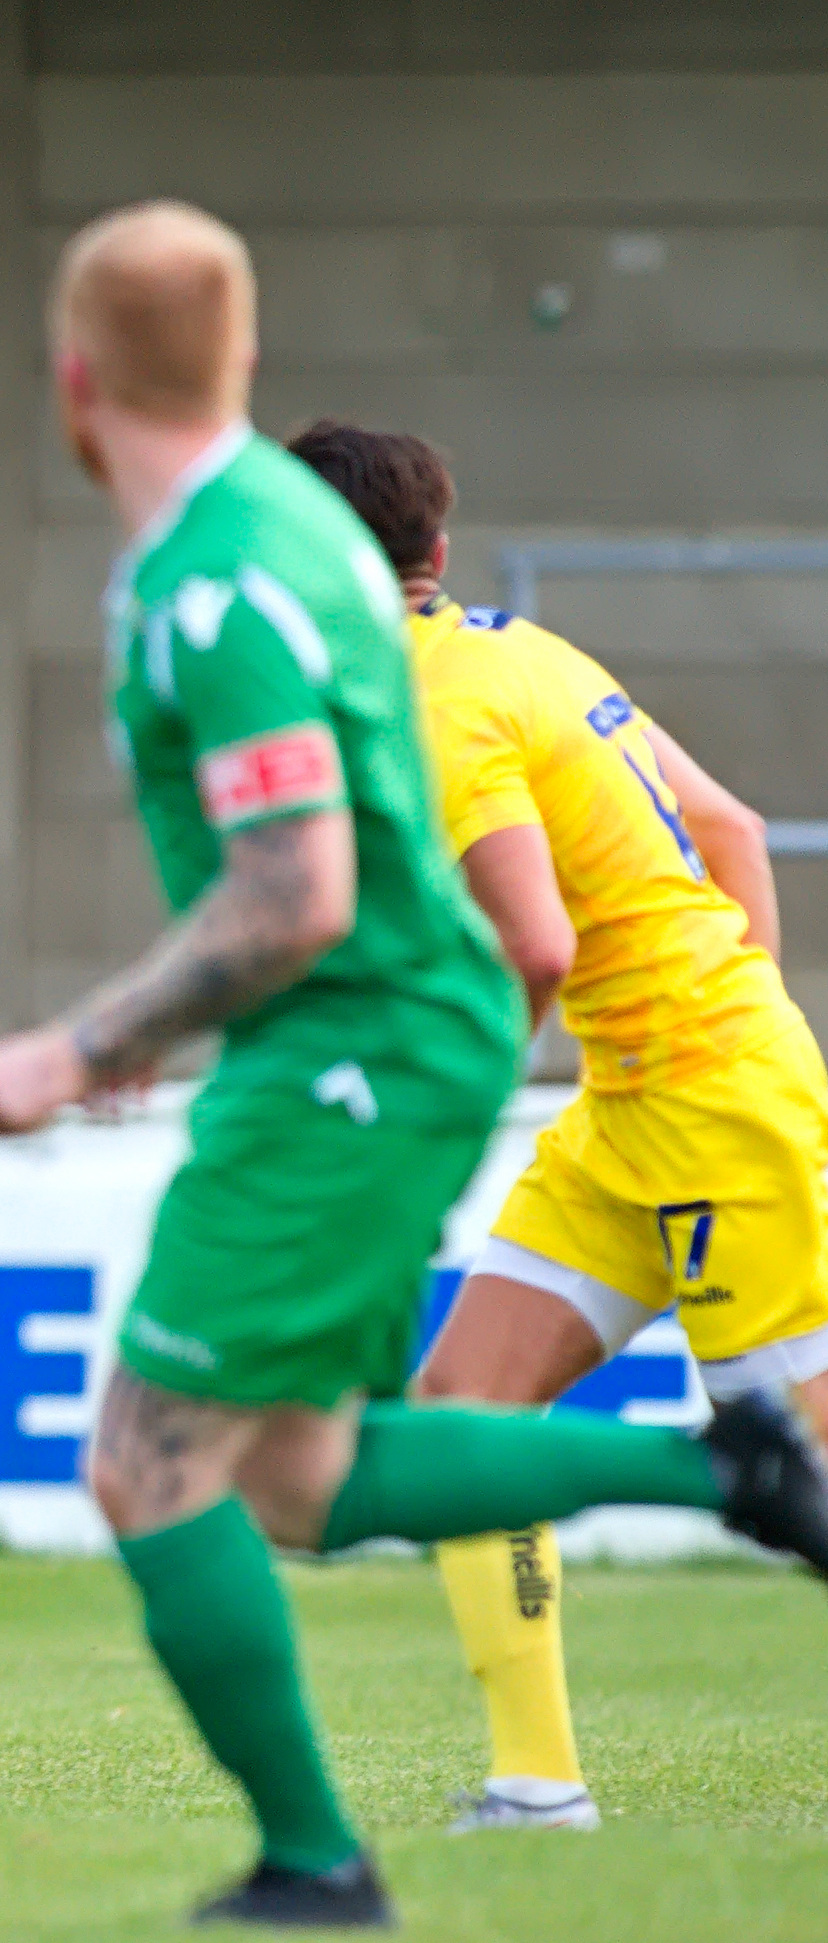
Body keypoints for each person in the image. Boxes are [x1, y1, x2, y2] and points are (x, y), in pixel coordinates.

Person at [0, 200, 828, 1930]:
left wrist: (83, 1043)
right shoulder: (320, 554)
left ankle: (315, 1866)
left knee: (148, 1458)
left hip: (414, 1055)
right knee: (313, 1469)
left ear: (70, 387)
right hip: (537, 1073)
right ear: (244, 364)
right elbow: (723, 827)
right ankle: (661, 1564)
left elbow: (311, 897)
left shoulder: (228, 588)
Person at [292, 418, 828, 1834]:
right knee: (466, 1409)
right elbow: (735, 827)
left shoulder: (425, 699)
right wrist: (724, 1019)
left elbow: (527, 943)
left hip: (711, 1108)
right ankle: (537, 1787)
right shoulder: (530, 653)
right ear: (437, 550)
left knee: (810, 1474)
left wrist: (433, 1119)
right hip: (642, 1101)